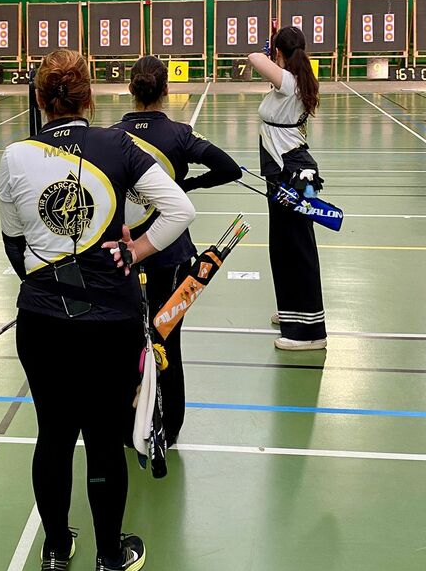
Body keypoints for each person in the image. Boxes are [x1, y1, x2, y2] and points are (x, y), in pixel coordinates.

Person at [0, 49, 195, 571]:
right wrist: (136, 251)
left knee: (53, 436)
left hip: (42, 323)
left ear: (42, 101)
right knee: (105, 440)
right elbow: (180, 210)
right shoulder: (118, 145)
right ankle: (109, 560)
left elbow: (15, 248)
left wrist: (51, 278)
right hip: (110, 324)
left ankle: (55, 552)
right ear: (89, 98)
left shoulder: (15, 156)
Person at [114, 55, 242, 443]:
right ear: (166, 90)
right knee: (166, 340)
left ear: (131, 89)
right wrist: (186, 186)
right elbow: (230, 169)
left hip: (126, 255)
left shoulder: (111, 137)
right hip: (171, 256)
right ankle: (168, 430)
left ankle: (129, 425)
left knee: (128, 340)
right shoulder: (179, 134)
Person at [248, 25, 327, 351]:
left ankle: (310, 333)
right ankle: (293, 312)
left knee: (297, 247)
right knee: (282, 246)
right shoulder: (292, 81)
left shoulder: (290, 82)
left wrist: (269, 52)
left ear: (280, 53)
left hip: (291, 173)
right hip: (284, 170)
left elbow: (253, 57)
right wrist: (277, 50)